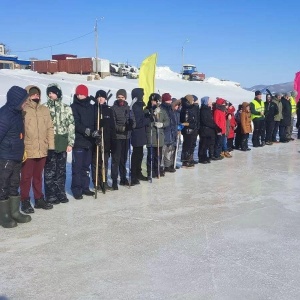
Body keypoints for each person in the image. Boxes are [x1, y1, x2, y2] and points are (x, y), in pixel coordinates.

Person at [0, 86, 32, 228]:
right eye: (24, 100)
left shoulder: (18, 113)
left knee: (14, 184)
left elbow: (19, 135)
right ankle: (4, 216)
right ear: (16, 100)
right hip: (5, 157)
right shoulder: (4, 115)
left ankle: (14, 212)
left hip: (16, 156)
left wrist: (22, 150)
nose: (26, 103)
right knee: (3, 185)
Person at [20, 85, 54, 214]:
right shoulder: (23, 109)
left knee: (38, 176)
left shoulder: (44, 109)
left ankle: (39, 198)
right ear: (28, 95)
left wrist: (50, 147)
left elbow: (50, 128)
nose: (36, 96)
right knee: (26, 177)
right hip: (28, 149)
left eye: (38, 94)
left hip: (42, 148)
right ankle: (24, 200)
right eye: (33, 94)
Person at [44, 83, 75, 204]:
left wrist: (70, 142)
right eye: (49, 93)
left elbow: (71, 125)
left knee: (61, 170)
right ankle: (50, 194)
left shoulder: (66, 108)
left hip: (62, 142)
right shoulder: (45, 108)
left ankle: (60, 192)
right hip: (50, 143)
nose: (51, 95)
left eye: (53, 92)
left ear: (58, 93)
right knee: (50, 170)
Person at [70, 84, 96, 200]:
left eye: (83, 94)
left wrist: (95, 132)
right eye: (79, 94)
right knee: (77, 167)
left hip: (89, 142)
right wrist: (86, 131)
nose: (80, 96)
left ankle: (85, 187)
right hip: (79, 141)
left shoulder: (91, 107)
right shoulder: (73, 107)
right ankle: (76, 189)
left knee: (86, 167)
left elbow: (95, 122)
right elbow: (75, 123)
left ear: (86, 94)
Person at [111, 89, 136, 190]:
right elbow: (112, 124)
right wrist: (121, 128)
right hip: (117, 137)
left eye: (122, 97)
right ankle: (114, 180)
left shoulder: (129, 108)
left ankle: (123, 178)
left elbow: (133, 121)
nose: (120, 99)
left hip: (126, 137)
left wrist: (131, 125)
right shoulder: (113, 108)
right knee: (116, 159)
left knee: (123, 159)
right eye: (119, 97)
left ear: (125, 98)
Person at [92, 89, 116, 191]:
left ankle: (104, 181)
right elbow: (90, 124)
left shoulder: (108, 110)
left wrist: (112, 141)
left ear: (105, 98)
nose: (100, 99)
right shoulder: (93, 109)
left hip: (106, 141)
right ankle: (96, 182)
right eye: (99, 97)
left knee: (104, 162)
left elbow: (112, 126)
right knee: (96, 163)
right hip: (96, 141)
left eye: (102, 97)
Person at [145, 93, 170, 178]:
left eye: (156, 101)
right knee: (150, 156)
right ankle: (150, 171)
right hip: (151, 136)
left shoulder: (162, 110)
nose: (154, 103)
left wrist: (162, 124)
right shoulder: (147, 110)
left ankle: (157, 170)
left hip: (159, 136)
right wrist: (152, 115)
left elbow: (167, 121)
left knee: (158, 156)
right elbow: (146, 121)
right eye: (153, 101)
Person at [130, 88, 150, 185]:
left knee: (140, 154)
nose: (143, 96)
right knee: (136, 156)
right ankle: (134, 175)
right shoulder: (136, 107)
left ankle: (138, 173)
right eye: (142, 95)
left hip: (140, 134)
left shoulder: (138, 106)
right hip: (137, 134)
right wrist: (148, 119)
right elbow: (137, 123)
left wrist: (146, 115)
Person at [160, 93, 178, 173]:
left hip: (172, 132)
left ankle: (168, 166)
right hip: (165, 133)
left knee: (170, 150)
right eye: (168, 100)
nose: (170, 101)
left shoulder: (171, 109)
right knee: (163, 151)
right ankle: (161, 166)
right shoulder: (162, 109)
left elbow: (173, 121)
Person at [180, 95, 198, 167]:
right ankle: (186, 161)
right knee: (187, 146)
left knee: (190, 146)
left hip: (191, 129)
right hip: (188, 130)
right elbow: (185, 121)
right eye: (192, 100)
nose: (193, 101)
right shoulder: (186, 108)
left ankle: (189, 159)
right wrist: (192, 124)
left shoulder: (190, 107)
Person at [198, 96, 218, 163]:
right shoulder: (203, 110)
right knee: (203, 144)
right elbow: (205, 121)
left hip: (209, 130)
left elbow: (210, 120)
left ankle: (205, 156)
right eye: (210, 101)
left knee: (206, 145)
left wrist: (215, 126)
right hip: (205, 130)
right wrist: (213, 126)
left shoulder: (208, 109)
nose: (211, 102)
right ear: (206, 102)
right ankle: (201, 157)